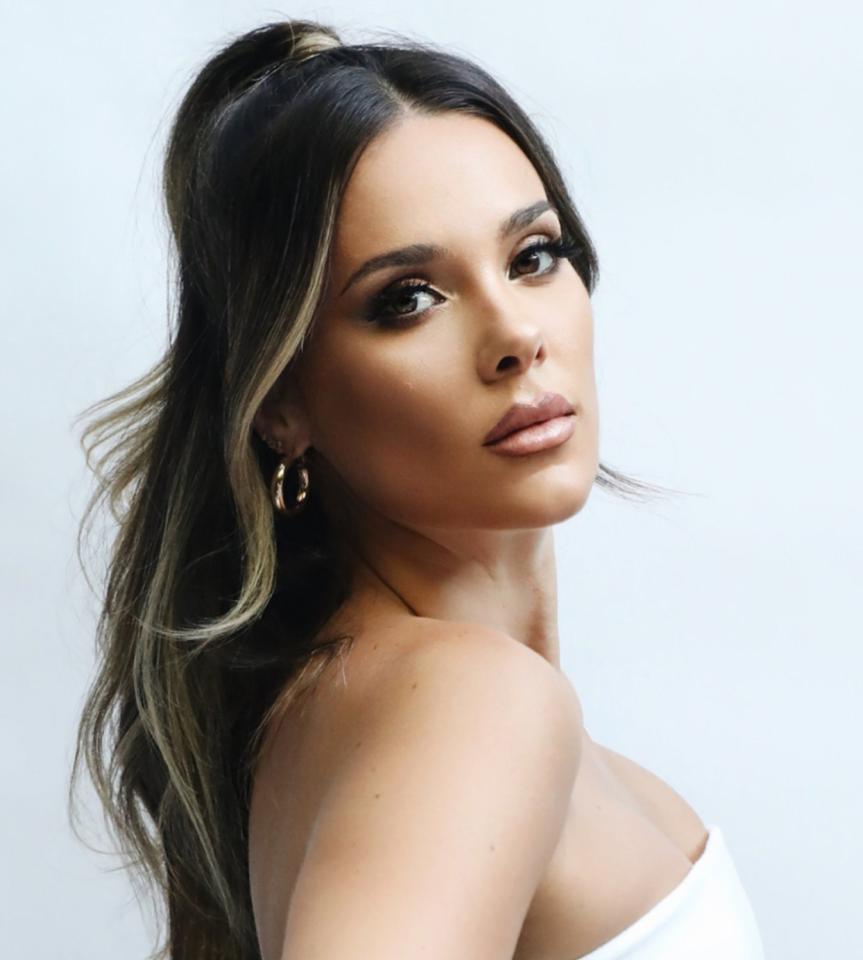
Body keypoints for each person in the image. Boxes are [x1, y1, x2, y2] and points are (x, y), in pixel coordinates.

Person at [70, 18, 766, 960]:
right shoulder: (473, 710)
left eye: (532, 256)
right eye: (406, 299)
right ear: (279, 405)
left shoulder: (379, 713)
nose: (515, 334)